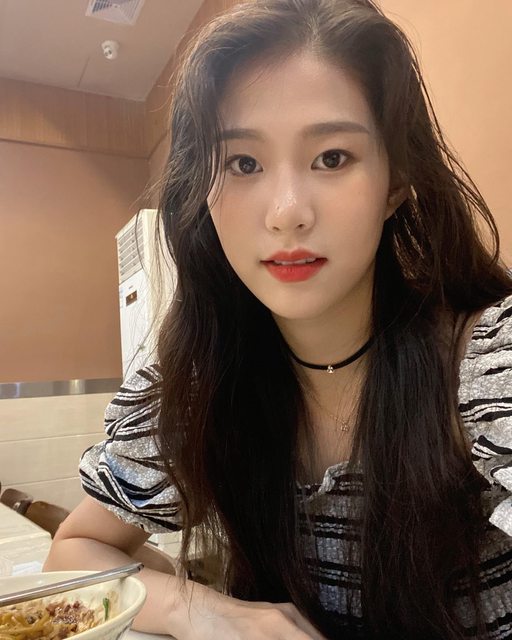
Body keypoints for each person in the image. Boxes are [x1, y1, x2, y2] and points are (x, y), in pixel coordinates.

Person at [44, 0, 512, 638]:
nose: (287, 211)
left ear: (396, 181)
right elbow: (74, 552)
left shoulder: (483, 366)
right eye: (243, 164)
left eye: (332, 157)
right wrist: (211, 613)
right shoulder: (196, 385)